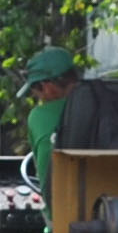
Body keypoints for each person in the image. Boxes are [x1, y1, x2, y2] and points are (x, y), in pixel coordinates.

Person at [19, 46, 80, 186]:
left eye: (34, 90)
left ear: (47, 87)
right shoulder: (103, 104)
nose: (36, 96)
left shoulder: (40, 116)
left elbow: (47, 182)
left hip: (65, 206)